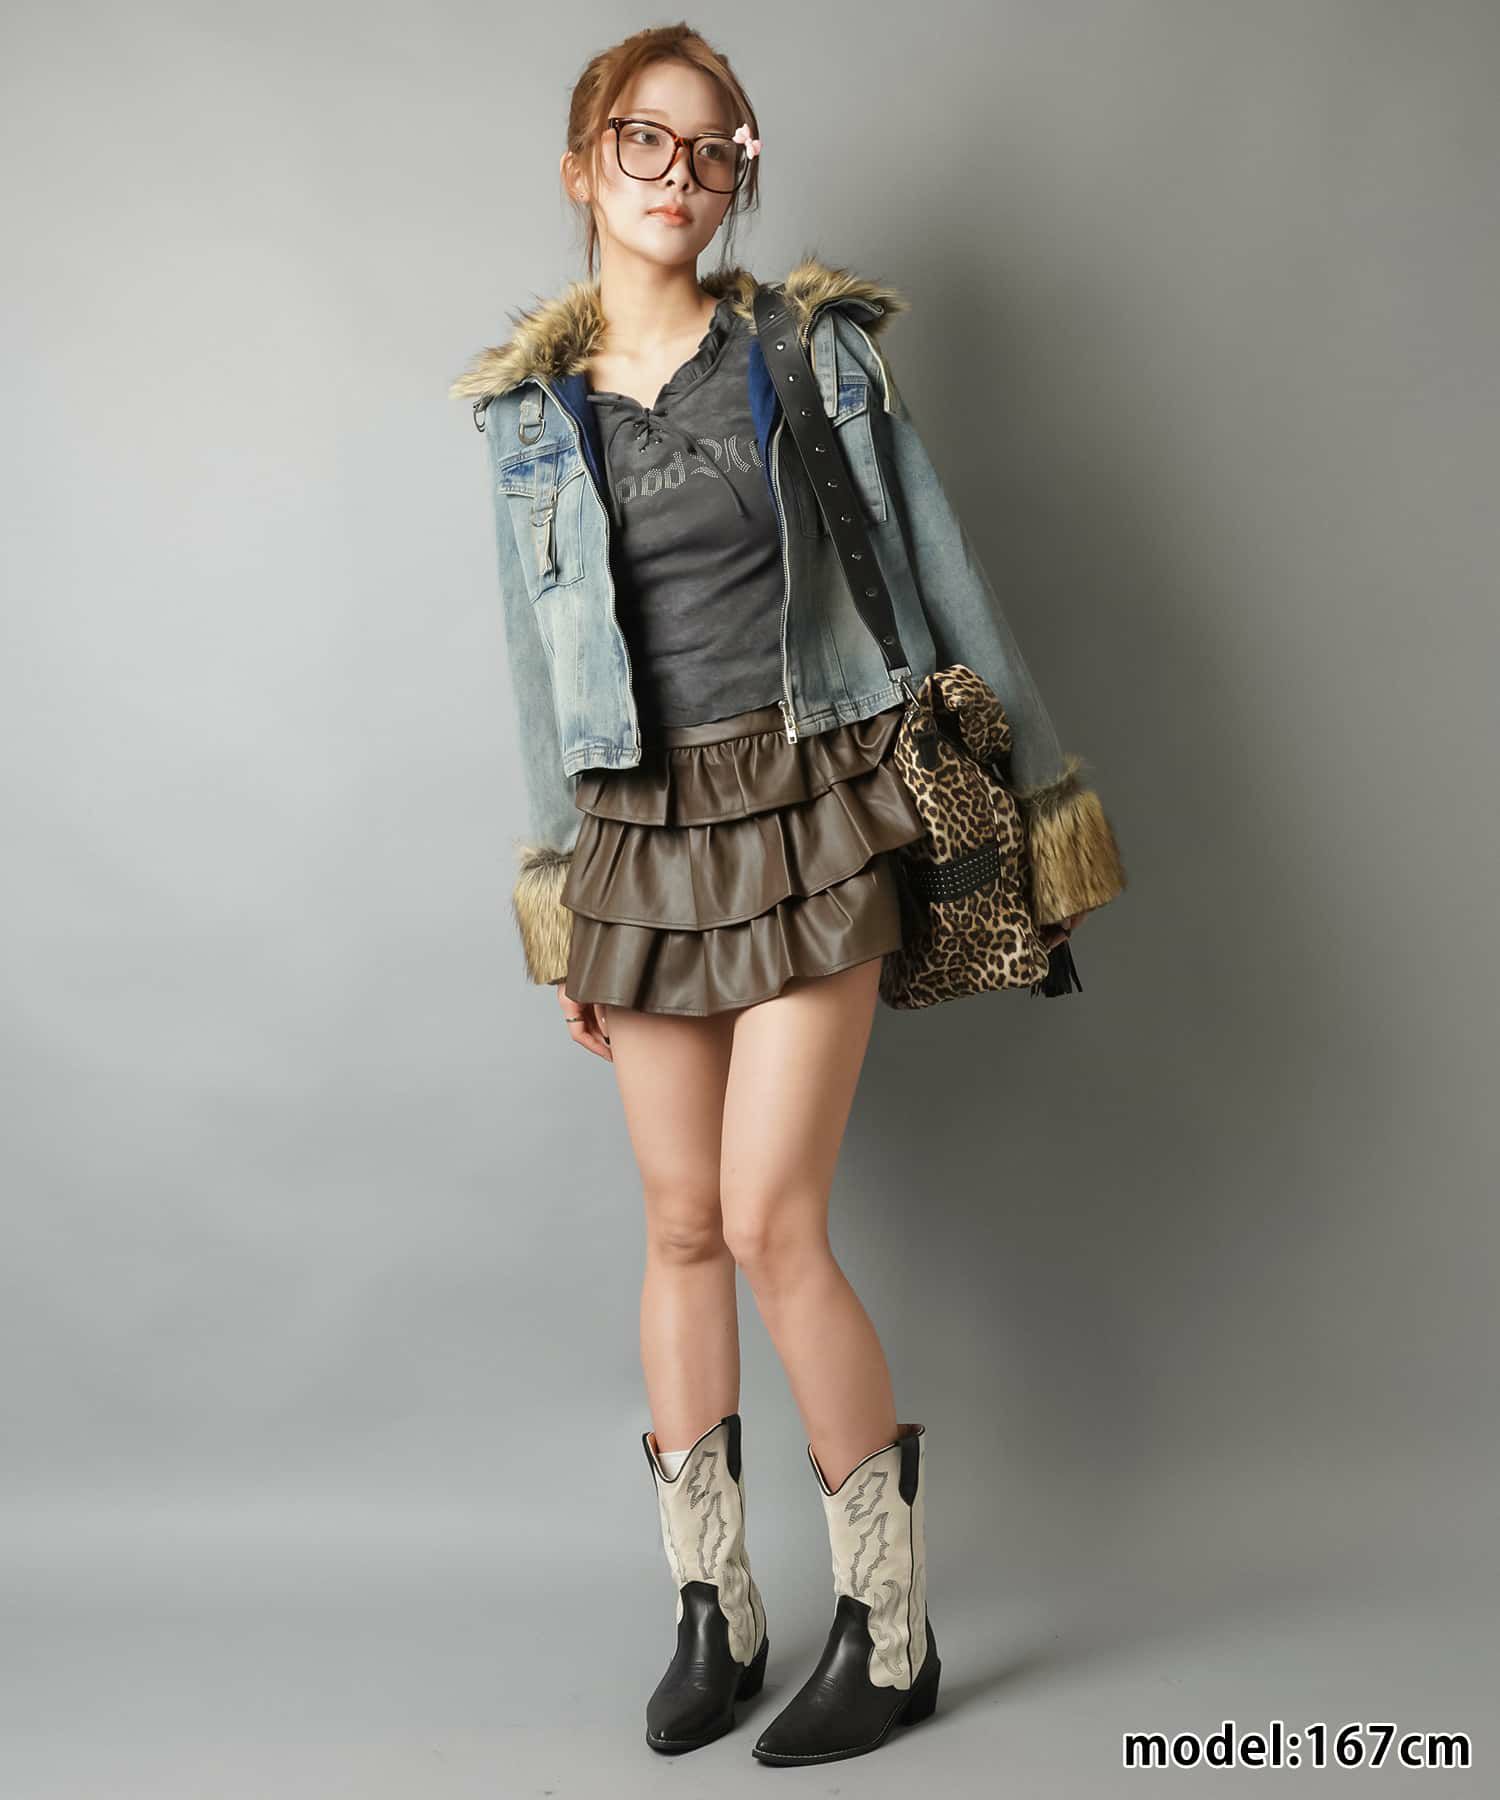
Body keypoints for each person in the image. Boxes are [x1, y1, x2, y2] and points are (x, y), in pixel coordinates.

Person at [450, 23, 1126, 1767]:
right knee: (679, 1224)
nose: (679, 177)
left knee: (768, 1221)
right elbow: (539, 673)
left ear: (738, 173)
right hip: (638, 837)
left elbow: (938, 572)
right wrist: (561, 902)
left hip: (813, 801)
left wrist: (1036, 816)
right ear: (582, 164)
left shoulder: (805, 356)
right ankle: (716, 1609)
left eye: (714, 148)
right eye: (644, 141)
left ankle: (889, 1631)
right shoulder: (528, 422)